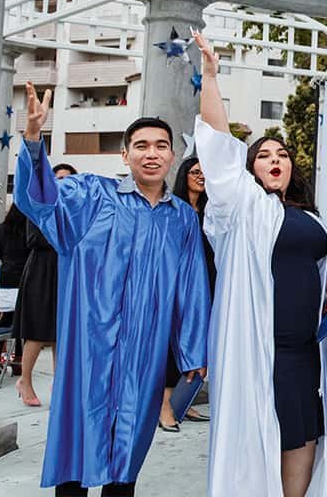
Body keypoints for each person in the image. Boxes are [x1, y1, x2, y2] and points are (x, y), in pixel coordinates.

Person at [15, 84, 210, 496]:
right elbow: (41, 202)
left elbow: (192, 287)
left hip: (145, 348)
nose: (151, 153)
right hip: (89, 347)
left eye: (161, 145)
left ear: (172, 155)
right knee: (77, 444)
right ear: (125, 156)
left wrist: (193, 351)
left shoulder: (182, 220)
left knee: (128, 453)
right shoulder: (91, 196)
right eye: (141, 145)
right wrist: (34, 140)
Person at [187, 30, 327, 497]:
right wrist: (212, 77)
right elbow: (218, 149)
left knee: (303, 433)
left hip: (304, 348)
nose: (276, 160)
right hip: (259, 346)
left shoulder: (308, 216)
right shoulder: (242, 206)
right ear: (250, 170)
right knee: (261, 435)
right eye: (264, 156)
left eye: (283, 154)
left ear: (293, 167)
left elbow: (319, 266)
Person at [159, 157, 217, 431]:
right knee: (174, 344)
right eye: (195, 172)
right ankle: (165, 405)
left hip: (209, 282)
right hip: (178, 286)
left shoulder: (211, 211)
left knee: (199, 344)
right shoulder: (174, 210)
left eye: (205, 173)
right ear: (184, 175)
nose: (201, 177)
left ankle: (185, 401)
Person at [12, 161, 77, 407]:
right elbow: (34, 239)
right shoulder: (38, 207)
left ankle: (59, 383)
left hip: (67, 271)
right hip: (42, 271)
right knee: (37, 332)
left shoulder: (76, 208)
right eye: (58, 178)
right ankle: (24, 380)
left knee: (61, 332)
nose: (63, 183)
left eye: (68, 179)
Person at [0, 202, 31, 375]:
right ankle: (19, 360)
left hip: (6, 274)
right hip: (26, 274)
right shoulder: (29, 227)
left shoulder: (2, 228)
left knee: (7, 315)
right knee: (24, 319)